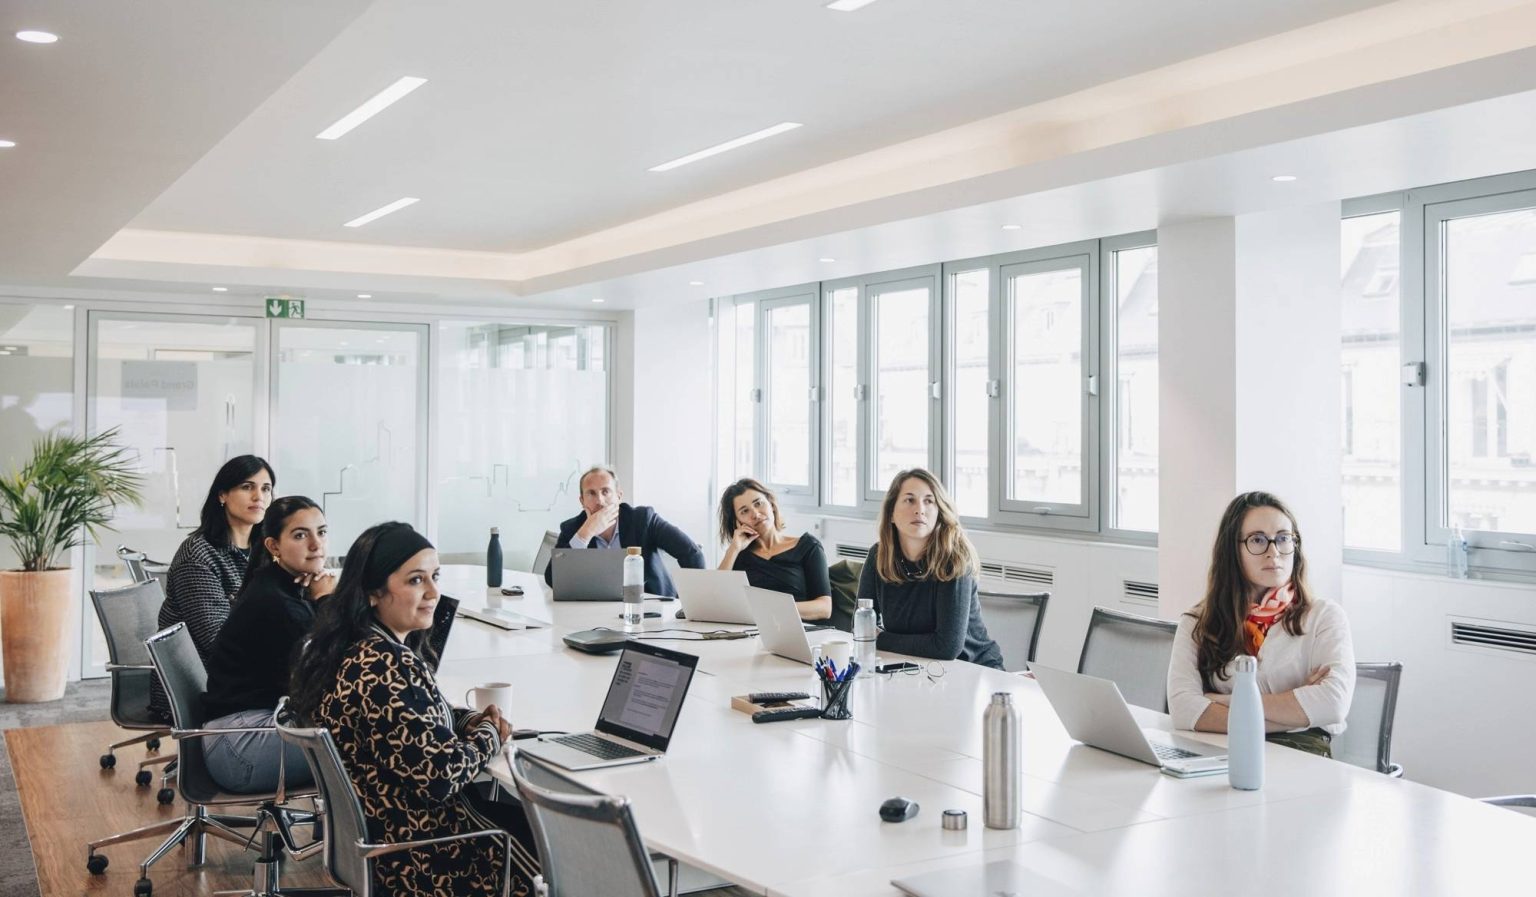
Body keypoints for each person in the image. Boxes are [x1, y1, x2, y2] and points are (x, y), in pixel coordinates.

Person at [288, 522, 536, 897]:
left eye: (435, 576)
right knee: (561, 844)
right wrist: (490, 733)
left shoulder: (352, 648)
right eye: (416, 580)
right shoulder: (386, 667)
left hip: (385, 839)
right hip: (426, 856)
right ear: (373, 591)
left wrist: (468, 719)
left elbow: (416, 713)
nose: (434, 592)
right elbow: (444, 775)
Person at [1166, 491, 1356, 757]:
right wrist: (1296, 709)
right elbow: (1184, 710)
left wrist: (1223, 702)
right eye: (1257, 540)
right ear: (1232, 550)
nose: (1273, 552)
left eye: (1283, 539)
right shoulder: (1198, 622)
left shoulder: (1324, 617)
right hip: (1217, 754)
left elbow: (1333, 703)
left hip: (1300, 758)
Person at [201, 497, 334, 793]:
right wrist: (326, 600)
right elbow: (333, 673)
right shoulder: (276, 603)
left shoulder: (282, 586)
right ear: (274, 546)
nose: (316, 544)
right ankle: (347, 838)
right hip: (238, 745)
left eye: (321, 532)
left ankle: (339, 836)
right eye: (301, 535)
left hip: (245, 729)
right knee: (369, 741)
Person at [149, 455, 274, 721]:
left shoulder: (264, 551)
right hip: (201, 687)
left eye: (265, 488)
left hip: (241, 679)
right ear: (222, 495)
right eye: (247, 487)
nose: (258, 496)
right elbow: (217, 641)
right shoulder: (198, 555)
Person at [857, 469, 1004, 669]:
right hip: (915, 668)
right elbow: (860, 625)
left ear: (939, 512)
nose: (920, 510)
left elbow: (947, 647)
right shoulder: (879, 556)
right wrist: (870, 635)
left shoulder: (954, 559)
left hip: (972, 671)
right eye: (909, 500)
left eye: (929, 501)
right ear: (891, 513)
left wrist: (880, 638)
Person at [544, 465, 705, 597]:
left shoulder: (643, 520)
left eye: (605, 491)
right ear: (582, 500)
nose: (600, 501)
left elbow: (691, 553)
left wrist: (691, 603)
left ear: (619, 496)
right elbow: (553, 579)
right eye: (591, 493)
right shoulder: (574, 528)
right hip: (598, 615)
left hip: (651, 612)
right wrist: (586, 533)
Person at [717, 478, 832, 620]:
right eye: (744, 511)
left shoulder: (808, 546)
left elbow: (825, 608)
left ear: (771, 504)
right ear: (738, 522)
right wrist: (733, 549)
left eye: (758, 504)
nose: (755, 514)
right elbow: (717, 600)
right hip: (753, 632)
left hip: (800, 630)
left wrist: (772, 609)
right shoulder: (739, 555)